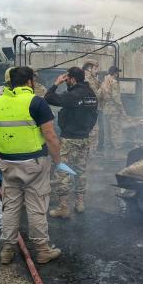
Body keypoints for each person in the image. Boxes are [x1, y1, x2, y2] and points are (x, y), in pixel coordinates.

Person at [0, 66, 62, 264]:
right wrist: (58, 161)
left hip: (8, 163)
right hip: (34, 163)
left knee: (10, 207)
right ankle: (42, 250)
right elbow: (51, 136)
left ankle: (7, 250)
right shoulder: (36, 102)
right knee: (36, 207)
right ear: (30, 81)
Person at [0, 67, 47, 214]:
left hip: (30, 144)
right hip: (6, 141)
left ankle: (27, 202)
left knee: (31, 177)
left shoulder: (39, 91)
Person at [44, 67, 98, 218]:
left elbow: (48, 97)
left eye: (67, 79)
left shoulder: (73, 95)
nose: (66, 81)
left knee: (63, 171)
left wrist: (56, 83)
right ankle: (80, 203)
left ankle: (63, 208)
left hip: (69, 138)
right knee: (81, 171)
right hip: (85, 138)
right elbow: (94, 116)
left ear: (73, 79)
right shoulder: (91, 94)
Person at [98, 66, 125, 157]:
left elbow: (99, 95)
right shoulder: (114, 82)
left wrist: (103, 105)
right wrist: (122, 110)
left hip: (106, 111)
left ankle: (107, 154)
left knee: (107, 132)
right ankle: (117, 155)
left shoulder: (104, 82)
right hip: (114, 111)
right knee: (116, 132)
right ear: (115, 73)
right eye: (117, 72)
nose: (118, 74)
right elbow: (116, 97)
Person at [82, 59, 101, 154]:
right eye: (96, 68)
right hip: (89, 113)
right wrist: (104, 88)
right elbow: (96, 96)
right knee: (92, 136)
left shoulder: (90, 78)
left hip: (89, 112)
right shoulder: (88, 79)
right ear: (89, 68)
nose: (97, 71)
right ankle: (90, 163)